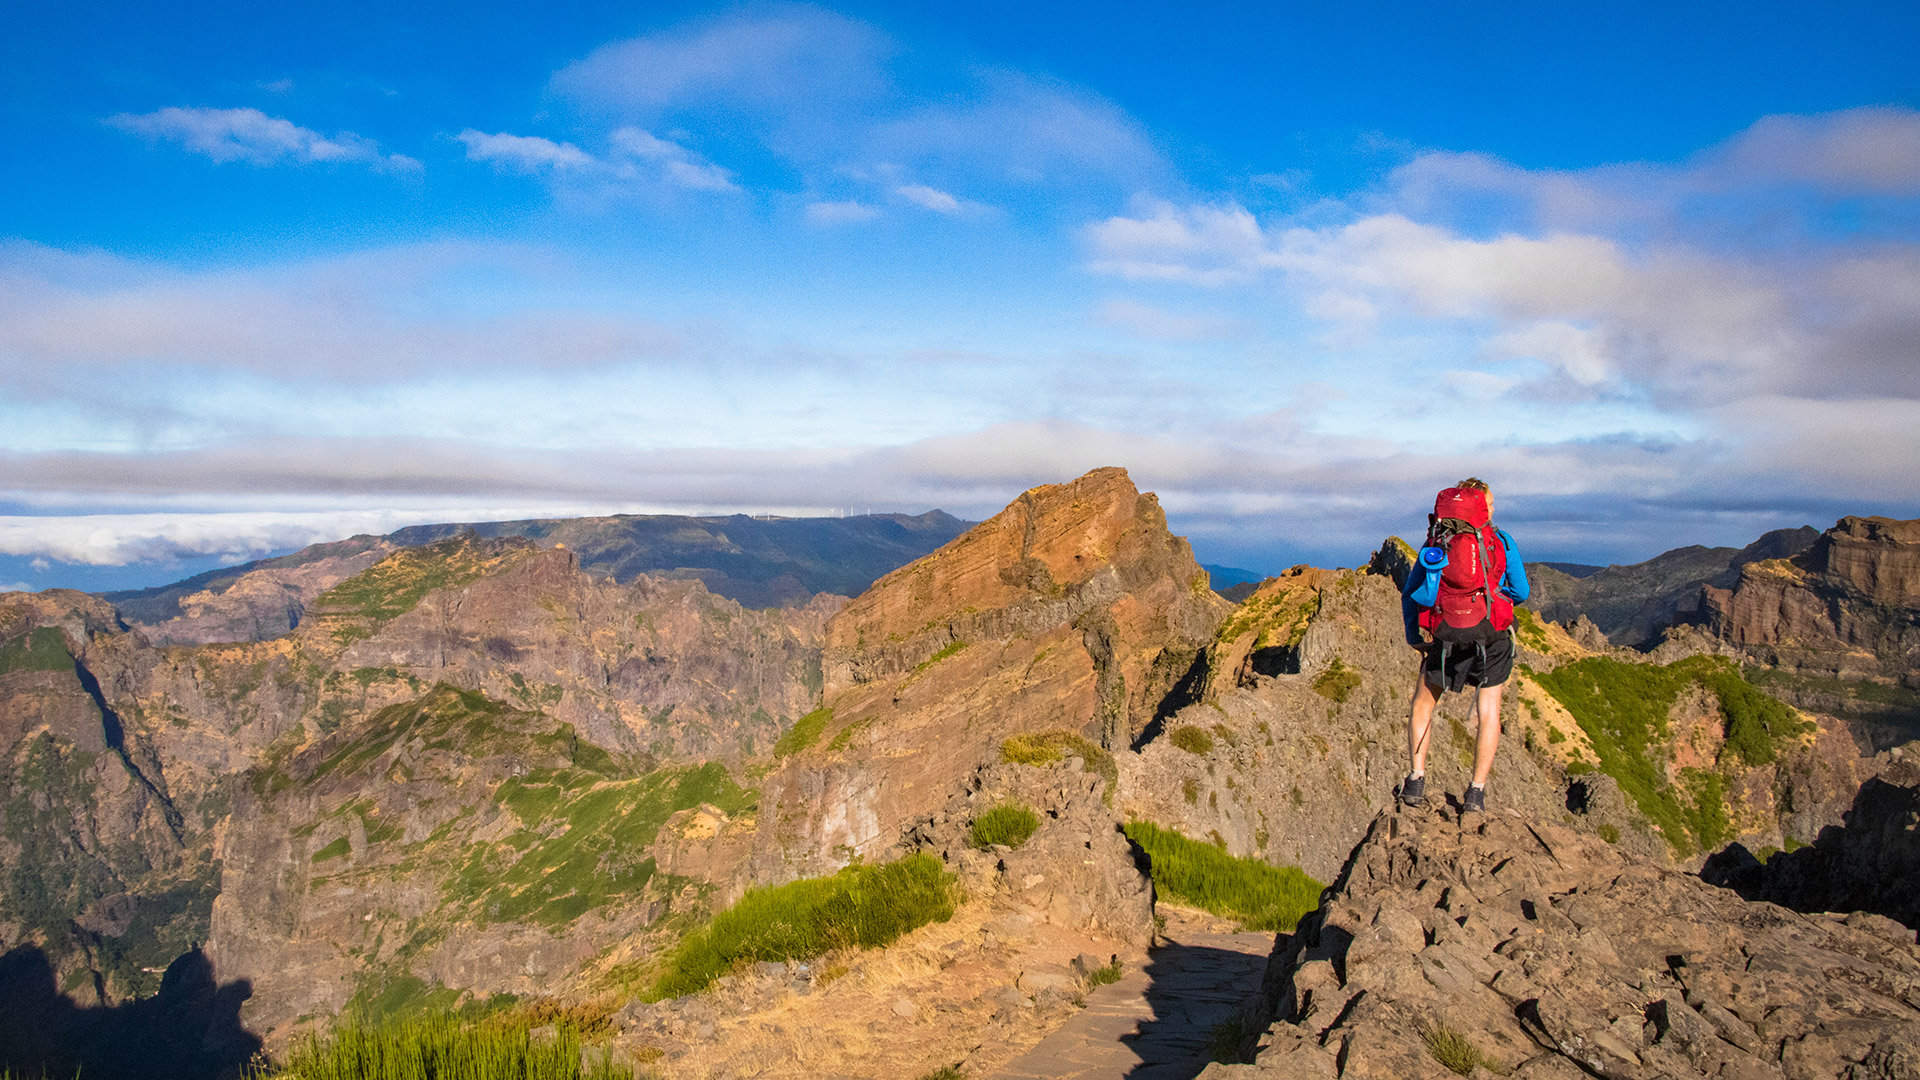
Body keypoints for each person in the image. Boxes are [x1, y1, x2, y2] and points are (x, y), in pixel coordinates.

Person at [1397, 478, 1529, 814]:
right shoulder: (1501, 540)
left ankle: (1416, 780)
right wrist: (1494, 601)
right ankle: (1476, 794)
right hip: (1492, 634)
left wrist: (1415, 635)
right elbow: (1522, 592)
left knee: (1423, 703)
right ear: (1482, 507)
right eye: (1492, 503)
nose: (1494, 508)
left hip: (1445, 634)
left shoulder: (1438, 541)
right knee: (1488, 712)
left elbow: (1411, 592)